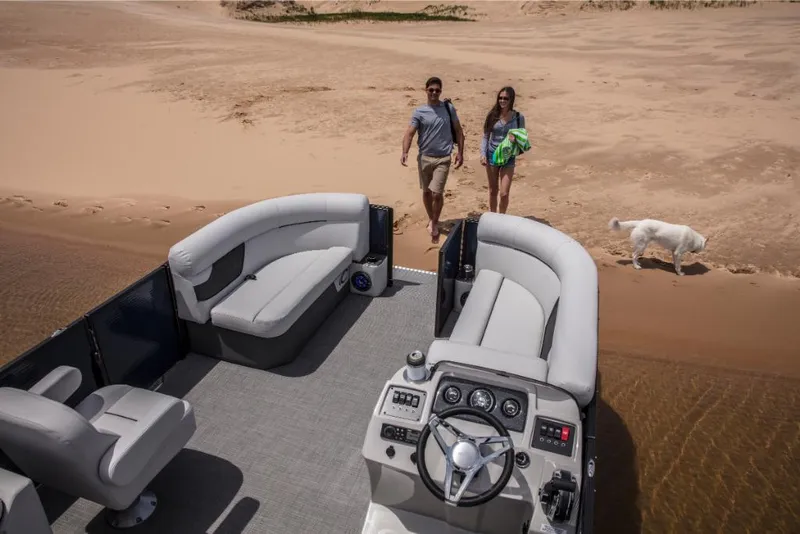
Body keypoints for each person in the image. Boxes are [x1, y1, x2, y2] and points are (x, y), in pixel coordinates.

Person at [401, 76, 465, 240]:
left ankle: (435, 222)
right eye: (431, 90)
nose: (434, 93)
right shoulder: (419, 112)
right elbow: (409, 133)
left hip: (443, 158)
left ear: (441, 91)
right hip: (424, 157)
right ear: (426, 90)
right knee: (427, 192)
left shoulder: (448, 108)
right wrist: (405, 152)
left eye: (437, 90)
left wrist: (460, 153)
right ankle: (431, 218)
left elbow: (458, 130)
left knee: (437, 193)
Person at [480, 86, 525, 214]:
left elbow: (523, 139)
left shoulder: (518, 117)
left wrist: (515, 139)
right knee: (493, 191)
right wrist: (483, 154)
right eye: (500, 98)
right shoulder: (492, 115)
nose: (502, 101)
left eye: (505, 98)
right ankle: (494, 216)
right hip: (492, 155)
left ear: (511, 100)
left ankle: (502, 217)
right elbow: (486, 136)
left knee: (504, 193)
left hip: (508, 157)